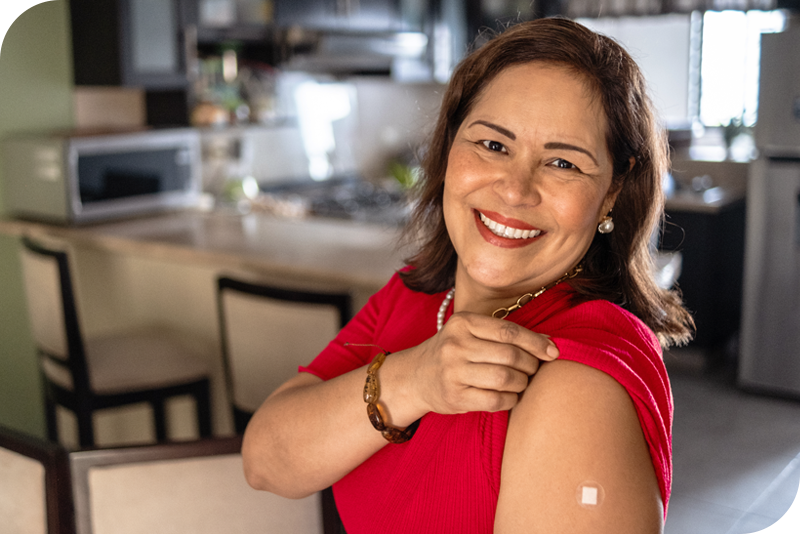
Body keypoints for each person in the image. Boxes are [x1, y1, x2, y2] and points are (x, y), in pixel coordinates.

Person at [242, 17, 694, 533]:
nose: (515, 189)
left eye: (564, 163)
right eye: (493, 145)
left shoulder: (578, 377)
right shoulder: (415, 295)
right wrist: (416, 378)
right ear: (449, 147)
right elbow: (266, 462)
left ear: (613, 191)